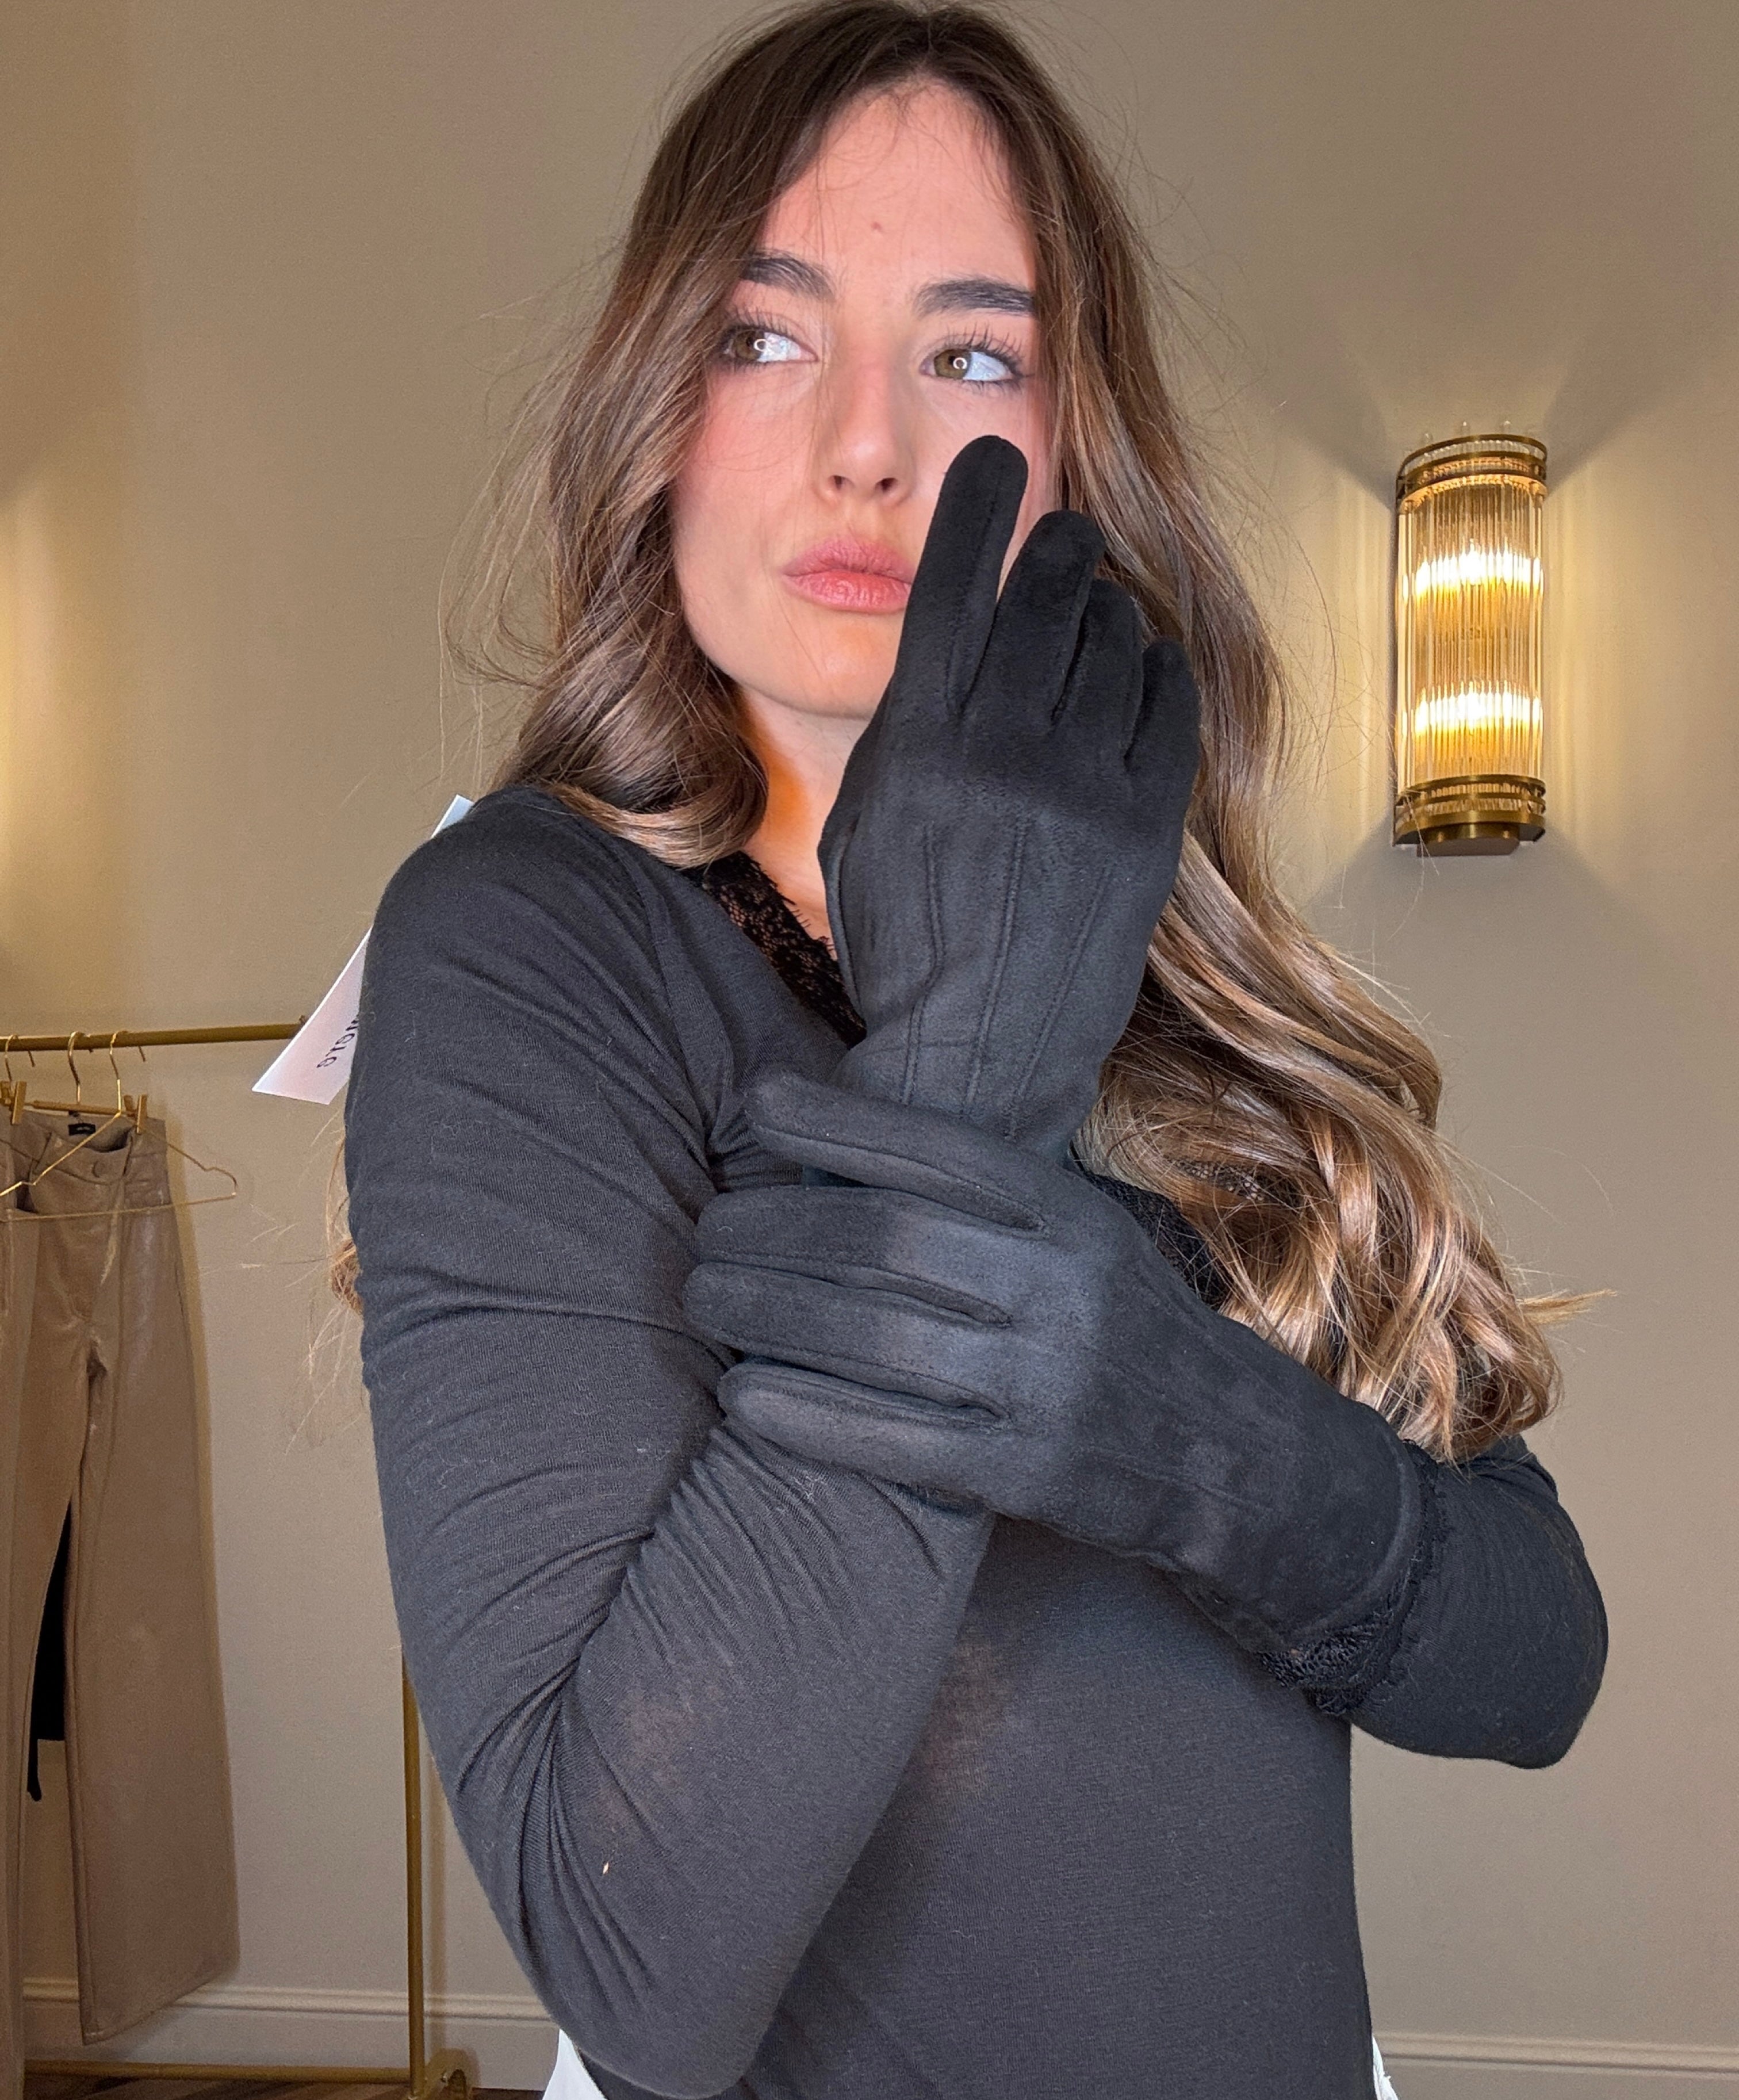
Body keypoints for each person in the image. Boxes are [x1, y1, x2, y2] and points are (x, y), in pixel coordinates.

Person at [337, 7, 1607, 2097]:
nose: (866, 446)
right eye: (764, 336)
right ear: (656, 412)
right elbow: (644, 1960)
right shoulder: (528, 943)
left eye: (973, 356)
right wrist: (974, 1071)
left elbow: (1536, 1649)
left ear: (1080, 451)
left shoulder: (1188, 973)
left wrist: (1176, 1427)